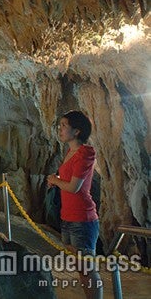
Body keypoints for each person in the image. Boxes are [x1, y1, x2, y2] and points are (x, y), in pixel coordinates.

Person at [46, 110, 102, 298]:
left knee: (87, 270)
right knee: (81, 268)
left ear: (77, 131)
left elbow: (74, 187)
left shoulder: (85, 153)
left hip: (82, 218)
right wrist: (57, 179)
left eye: (64, 125)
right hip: (68, 217)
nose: (60, 129)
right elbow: (70, 179)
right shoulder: (71, 151)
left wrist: (55, 180)